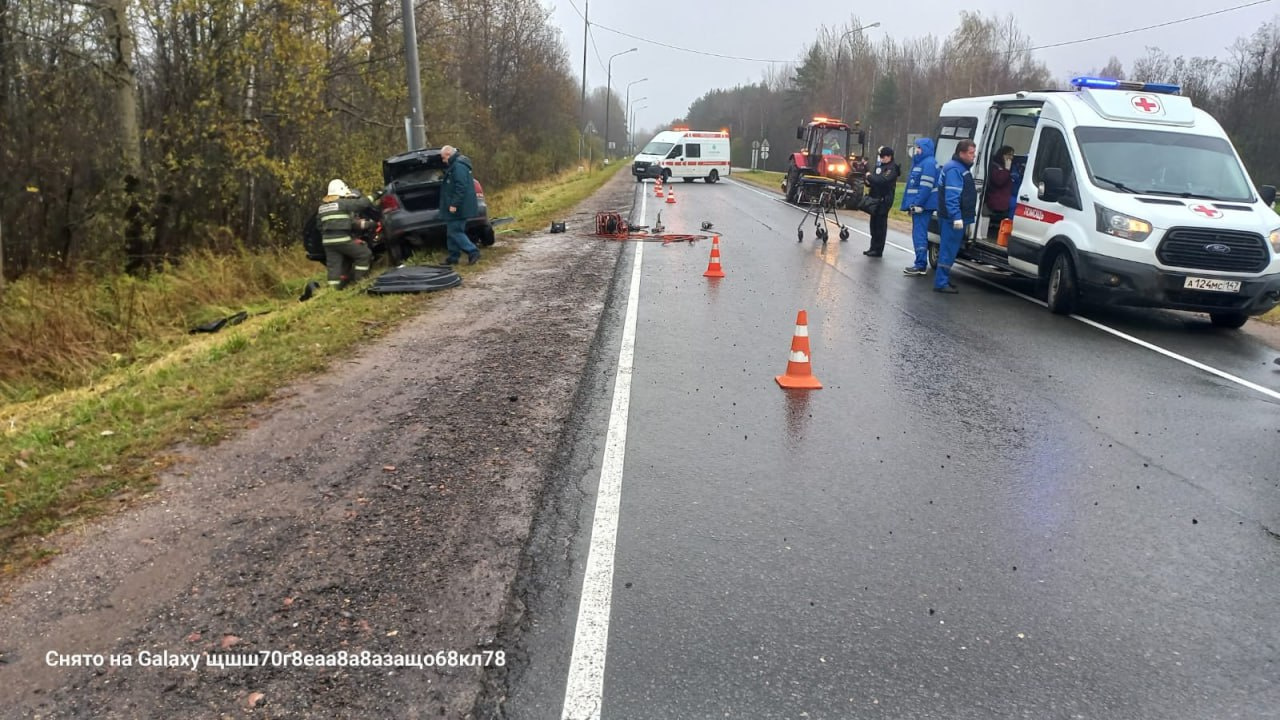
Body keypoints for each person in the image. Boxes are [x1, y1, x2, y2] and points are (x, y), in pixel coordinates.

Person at [314, 178, 375, 289]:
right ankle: (359, 282)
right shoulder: (342, 204)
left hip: (327, 242)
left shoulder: (322, 208)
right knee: (364, 254)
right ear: (341, 191)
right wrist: (376, 195)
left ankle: (333, 291)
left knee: (334, 268)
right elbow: (361, 204)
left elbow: (319, 226)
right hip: (342, 239)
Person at [935, 140, 977, 293]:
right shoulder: (955, 169)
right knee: (948, 250)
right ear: (962, 153)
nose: (974, 156)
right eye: (971, 153)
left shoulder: (957, 167)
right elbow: (952, 196)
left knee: (950, 249)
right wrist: (956, 217)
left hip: (951, 217)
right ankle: (941, 282)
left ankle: (943, 279)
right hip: (951, 219)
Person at [899, 138, 941, 276]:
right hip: (920, 205)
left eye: (919, 148)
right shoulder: (922, 162)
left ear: (925, 149)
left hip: (922, 206)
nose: (916, 150)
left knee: (919, 234)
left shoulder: (928, 163)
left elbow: (925, 187)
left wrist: (917, 204)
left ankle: (920, 264)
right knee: (919, 233)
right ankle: (920, 263)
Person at [439, 144, 481, 265]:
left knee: (455, 231)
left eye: (443, 158)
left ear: (448, 154)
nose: (443, 161)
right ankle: (453, 257)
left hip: (460, 207)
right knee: (451, 231)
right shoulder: (455, 165)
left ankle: (473, 251)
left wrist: (454, 204)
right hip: (456, 206)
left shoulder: (458, 167)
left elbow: (460, 187)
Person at [863, 146, 900, 257]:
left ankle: (878, 249)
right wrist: (868, 181)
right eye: (880, 157)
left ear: (889, 157)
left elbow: (882, 180)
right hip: (875, 198)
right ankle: (873, 247)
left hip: (884, 200)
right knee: (873, 224)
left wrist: (870, 177)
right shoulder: (880, 167)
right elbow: (875, 180)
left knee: (880, 226)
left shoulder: (892, 168)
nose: (881, 159)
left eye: (883, 156)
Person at [985, 145, 1015, 234]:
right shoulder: (995, 166)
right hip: (995, 196)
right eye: (1008, 155)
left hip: (1005, 194)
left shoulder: (1006, 166)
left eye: (1012, 155)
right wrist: (1006, 169)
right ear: (1002, 155)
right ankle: (1008, 229)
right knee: (1015, 205)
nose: (1011, 158)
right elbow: (999, 181)